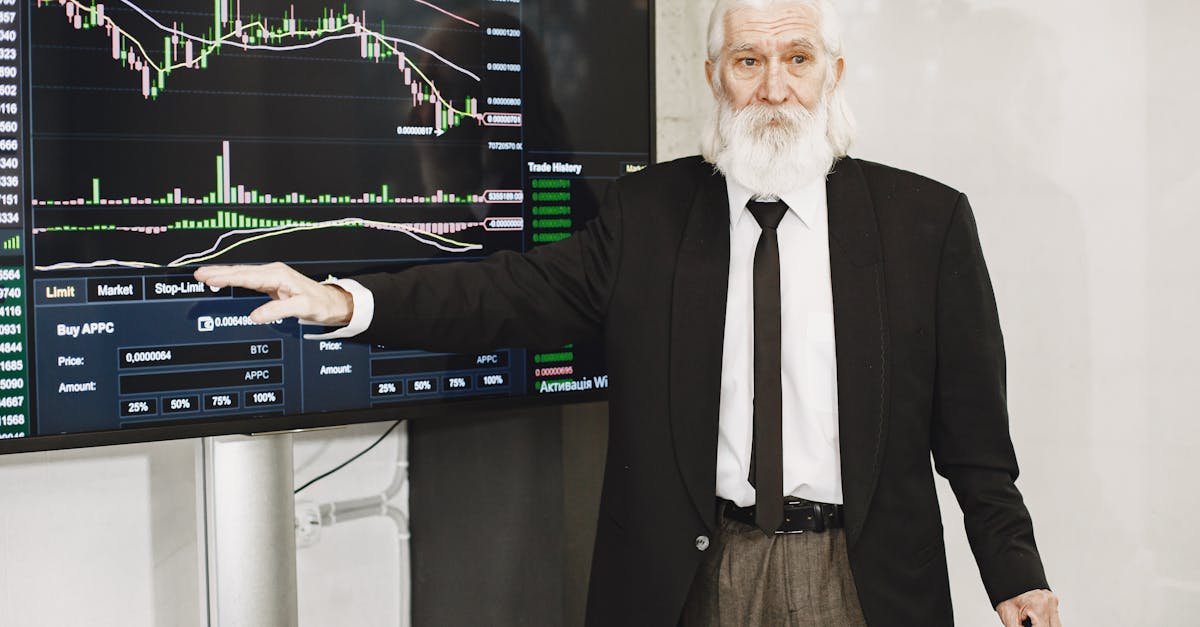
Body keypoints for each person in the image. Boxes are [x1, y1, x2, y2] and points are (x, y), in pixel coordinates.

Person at [196, 0, 1063, 624]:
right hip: (691, 577)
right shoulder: (648, 214)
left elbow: (977, 443)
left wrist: (1013, 572)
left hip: (860, 580)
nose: (773, 87)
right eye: (748, 62)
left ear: (832, 74)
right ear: (715, 77)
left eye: (797, 58)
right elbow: (507, 294)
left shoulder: (926, 223)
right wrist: (346, 299)